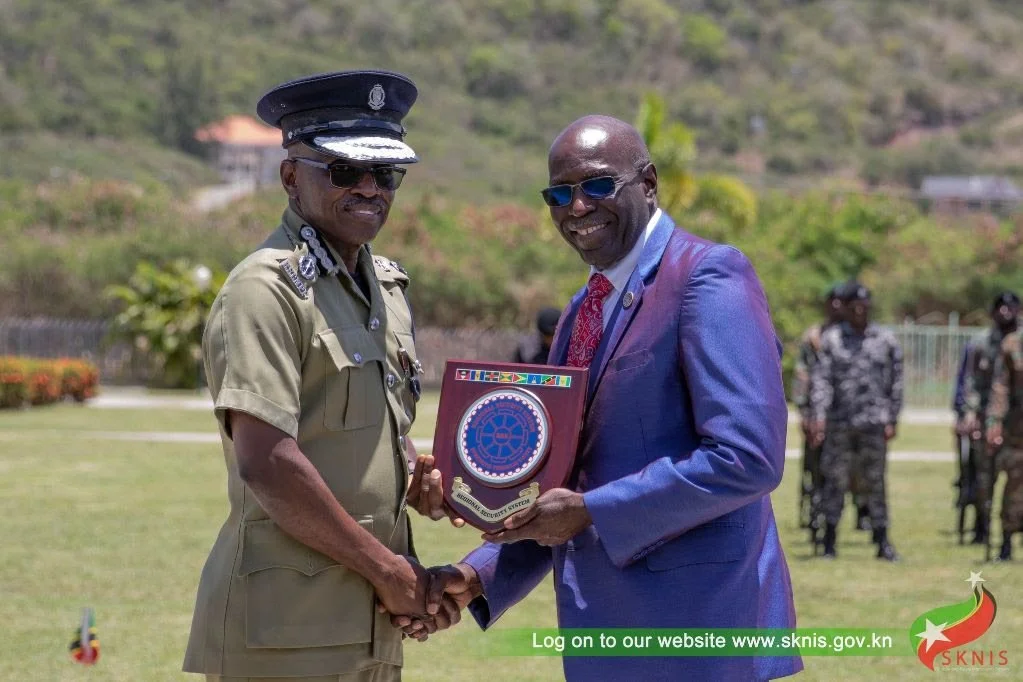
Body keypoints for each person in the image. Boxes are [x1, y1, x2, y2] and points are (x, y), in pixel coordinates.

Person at [407, 115, 801, 681]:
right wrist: (479, 577)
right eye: (558, 194)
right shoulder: (580, 312)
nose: (577, 207)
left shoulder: (708, 277)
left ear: (648, 182)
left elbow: (747, 458)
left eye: (596, 186)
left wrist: (591, 511)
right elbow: (567, 485)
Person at [182, 70, 456, 682]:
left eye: (383, 174)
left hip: (368, 618)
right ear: (289, 177)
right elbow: (268, 463)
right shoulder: (264, 289)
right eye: (342, 172)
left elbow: (354, 427)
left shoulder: (382, 287)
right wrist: (390, 572)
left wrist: (413, 475)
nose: (368, 189)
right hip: (288, 627)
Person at [809, 282, 903, 561]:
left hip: (874, 423)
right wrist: (819, 417)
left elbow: (896, 382)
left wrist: (892, 418)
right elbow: (821, 381)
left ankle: (882, 541)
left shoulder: (885, 340)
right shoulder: (832, 340)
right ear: (847, 309)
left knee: (875, 483)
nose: (860, 312)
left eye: (864, 307)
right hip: (840, 424)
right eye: (855, 307)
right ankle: (829, 540)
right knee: (834, 482)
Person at [959, 291, 1020, 548]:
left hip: (1016, 424)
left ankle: (1009, 532)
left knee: (1016, 482)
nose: (1005, 312)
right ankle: (982, 527)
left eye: (1010, 307)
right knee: (984, 478)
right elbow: (976, 383)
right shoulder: (981, 343)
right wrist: (971, 414)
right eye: (1000, 308)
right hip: (990, 420)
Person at [792, 283, 846, 542]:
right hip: (818, 414)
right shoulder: (814, 337)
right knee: (814, 469)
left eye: (840, 301)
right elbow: (803, 375)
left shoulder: (856, 336)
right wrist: (804, 412)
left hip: (848, 417)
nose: (836, 306)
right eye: (831, 300)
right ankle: (815, 516)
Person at [983, 296, 1023, 562]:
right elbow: (1001, 386)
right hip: (1017, 429)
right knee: (1015, 485)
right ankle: (1006, 543)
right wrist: (994, 422)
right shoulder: (1013, 344)